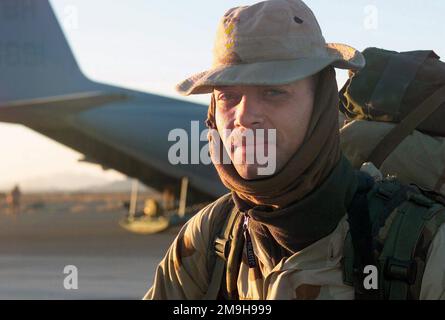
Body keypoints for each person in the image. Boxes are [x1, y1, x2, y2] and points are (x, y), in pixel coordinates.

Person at [144, 0, 445, 300]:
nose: (245, 117)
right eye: (228, 96)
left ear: (321, 105)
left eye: (274, 91)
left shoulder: (423, 247)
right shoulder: (211, 236)